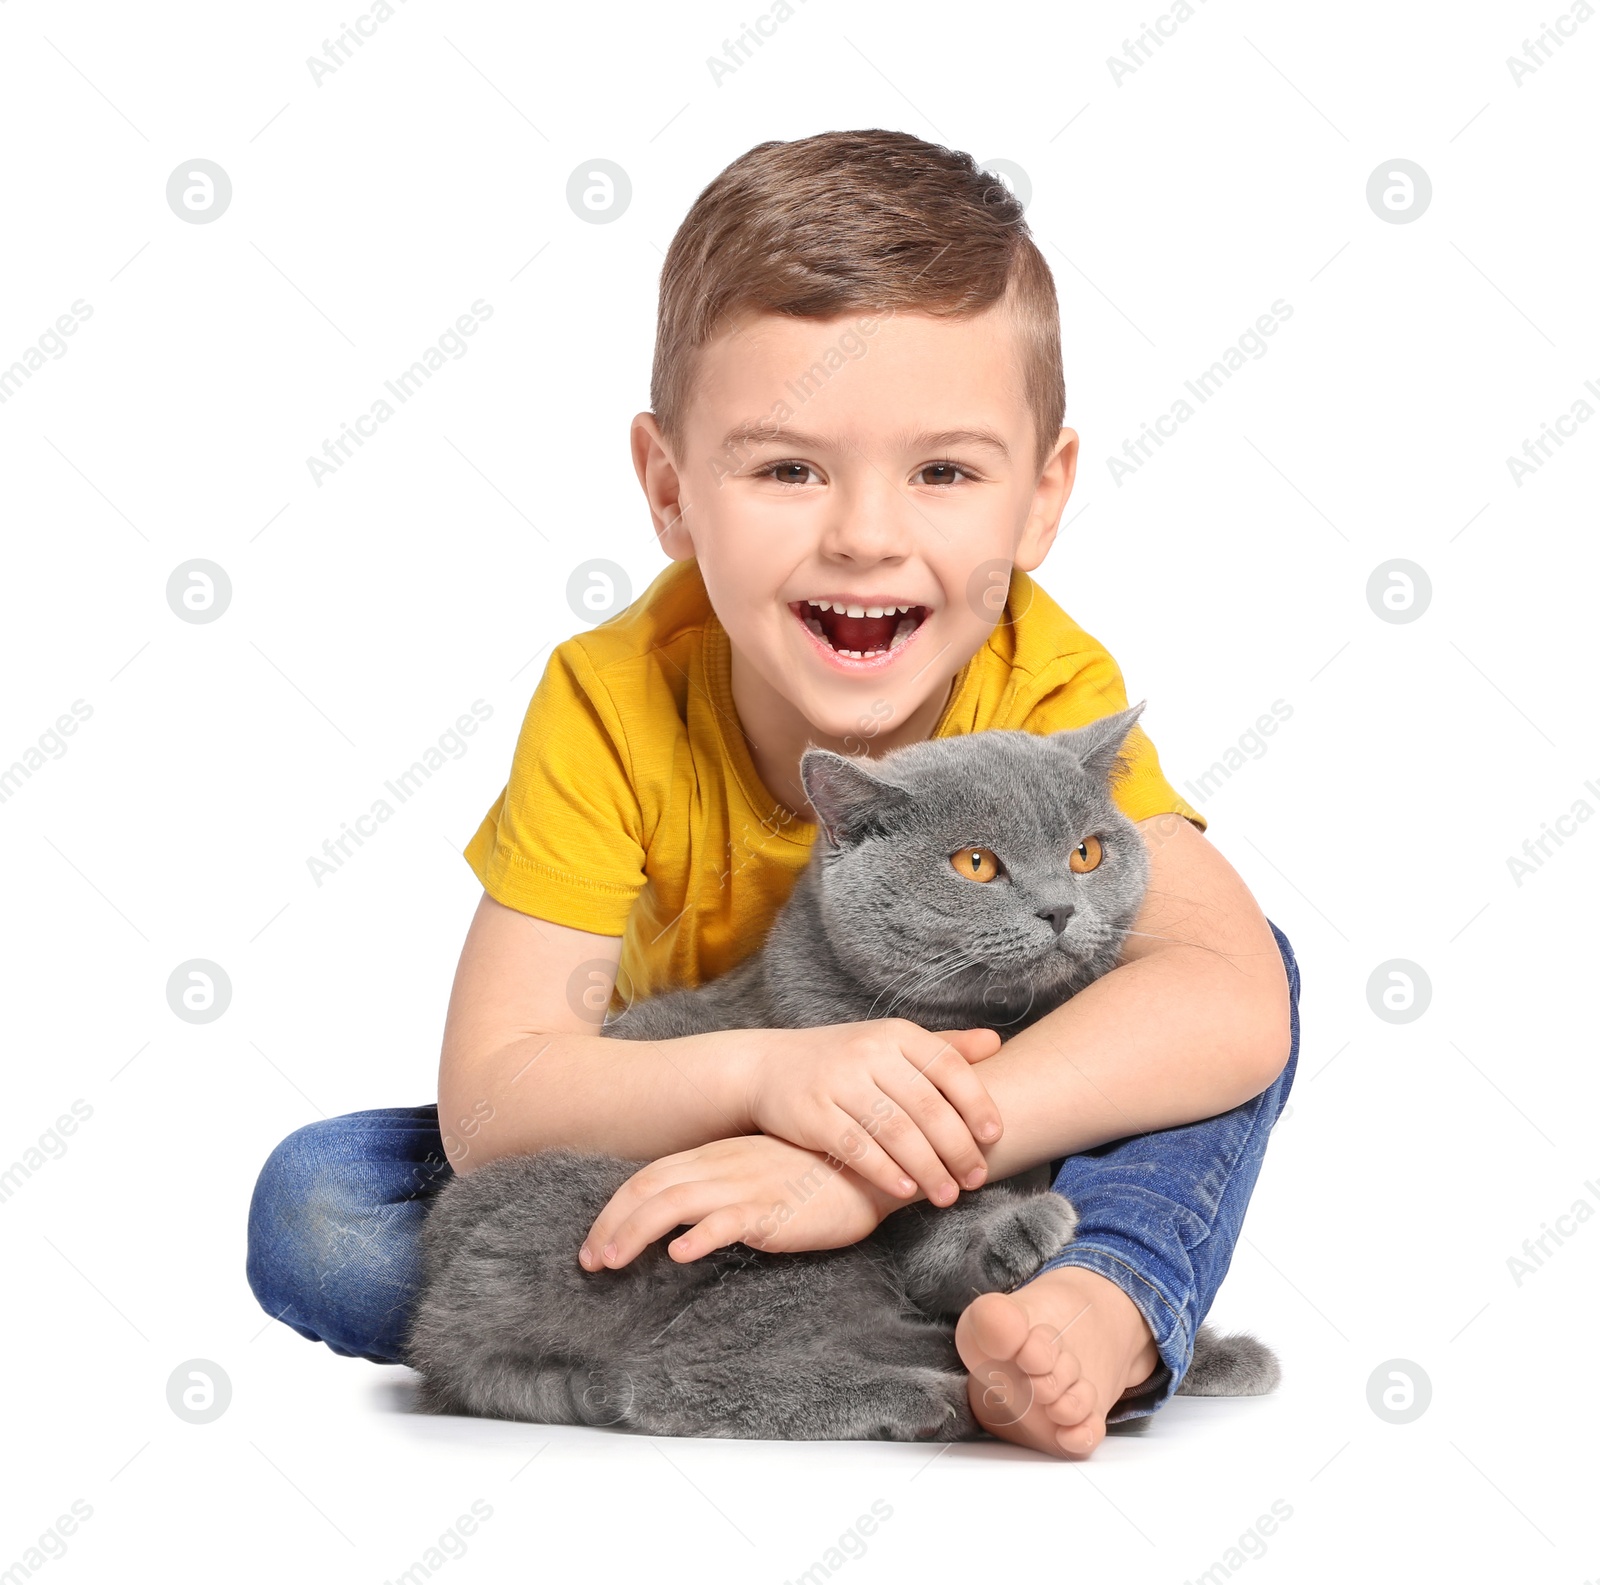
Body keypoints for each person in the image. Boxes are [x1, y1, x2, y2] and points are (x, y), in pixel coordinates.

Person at [248, 128, 1300, 1458]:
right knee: (320, 1216)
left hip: (973, 1139)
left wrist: (871, 1163)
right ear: (671, 489)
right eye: (789, 467)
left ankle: (1098, 1306)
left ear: (1041, 501)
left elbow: (1227, 993)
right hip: (666, 1127)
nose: (864, 532)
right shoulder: (615, 695)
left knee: (1244, 970)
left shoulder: (1039, 682)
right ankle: (896, 1313)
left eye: (945, 471)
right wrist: (772, 1079)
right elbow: (499, 1096)